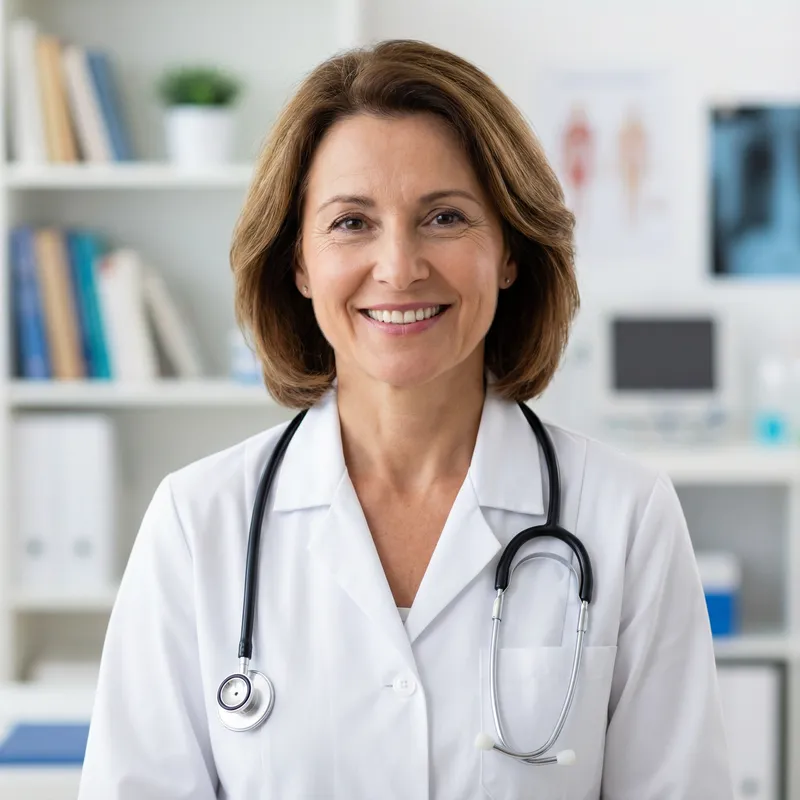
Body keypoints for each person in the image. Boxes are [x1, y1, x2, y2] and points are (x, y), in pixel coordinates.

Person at [78, 39, 733, 799]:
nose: (398, 266)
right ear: (299, 261)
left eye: (445, 217)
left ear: (510, 250)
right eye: (352, 222)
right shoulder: (198, 525)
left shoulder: (626, 518)